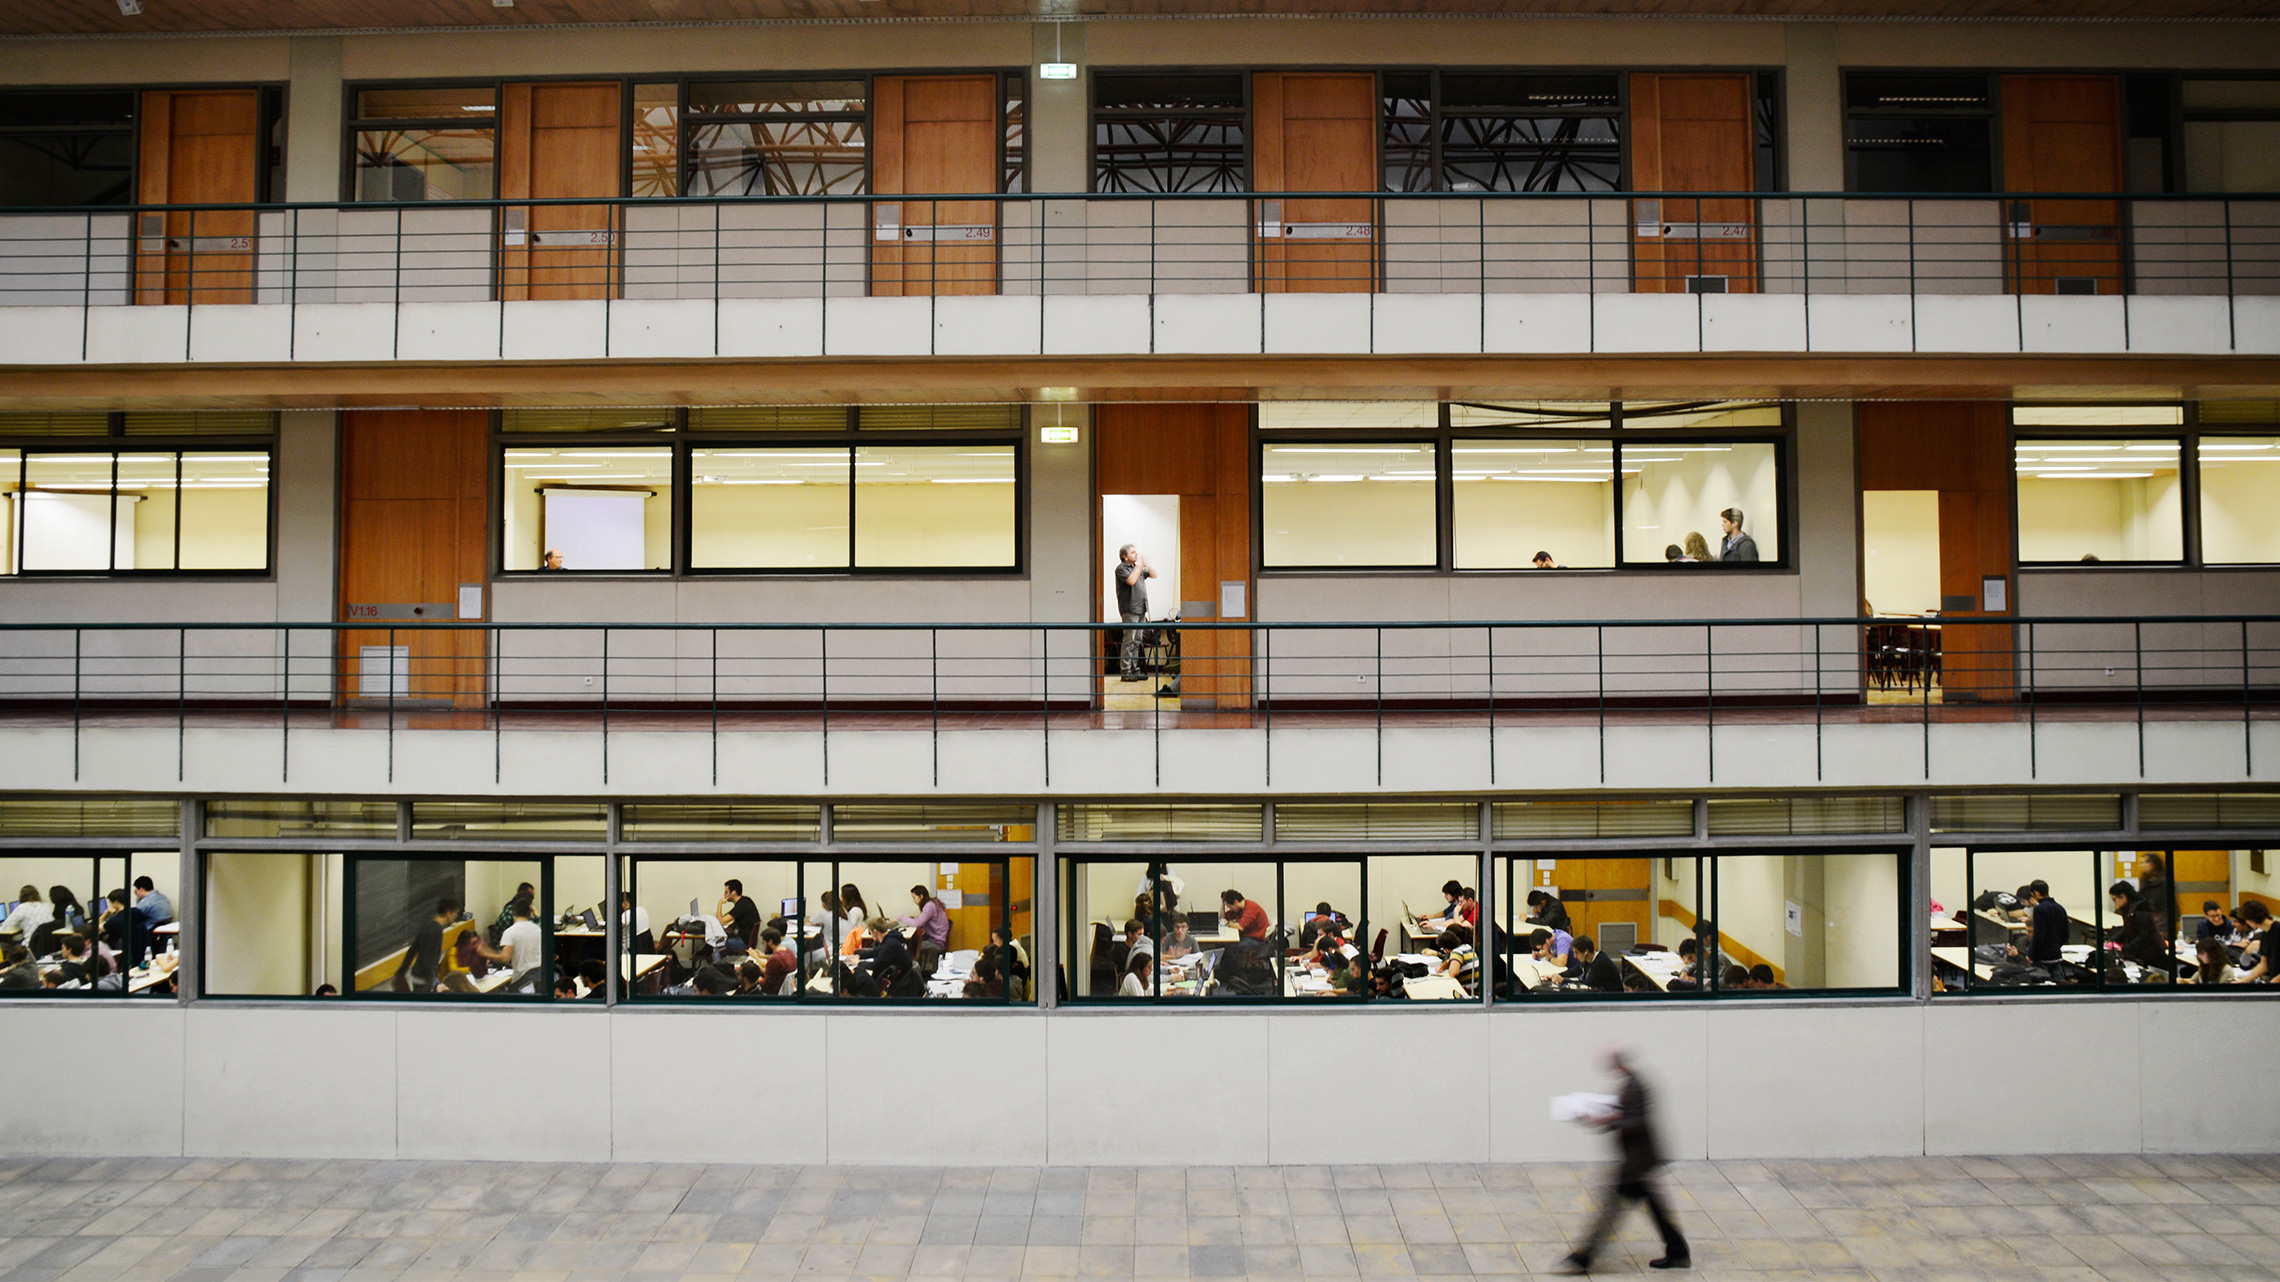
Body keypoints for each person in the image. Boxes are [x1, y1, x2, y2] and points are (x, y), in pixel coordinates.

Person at [1562, 1048, 1690, 1273]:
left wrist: (1607, 1119)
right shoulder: (1632, 1083)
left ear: (1619, 1064)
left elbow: (1637, 1122)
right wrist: (1607, 1118)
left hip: (1635, 1164)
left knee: (1610, 1210)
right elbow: (1628, 1116)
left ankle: (1583, 1258)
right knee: (1654, 1207)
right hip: (1637, 1162)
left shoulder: (1636, 1086)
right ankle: (1678, 1250)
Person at [394, 898, 466, 993]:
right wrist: (434, 985)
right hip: (424, 979)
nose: (456, 915)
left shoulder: (428, 925)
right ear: (448, 913)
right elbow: (429, 959)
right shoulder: (436, 931)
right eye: (455, 913)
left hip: (417, 975)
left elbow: (413, 949)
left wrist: (401, 971)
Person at [472, 898, 544, 991]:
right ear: (529, 914)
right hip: (540, 973)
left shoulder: (510, 932)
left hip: (523, 976)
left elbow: (505, 957)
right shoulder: (537, 929)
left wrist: (485, 953)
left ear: (513, 913)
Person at [1112, 542, 1157, 682]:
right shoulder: (1121, 569)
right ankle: (1126, 672)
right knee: (1129, 641)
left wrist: (1145, 564)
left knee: (1137, 641)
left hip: (1140, 609)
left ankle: (1134, 670)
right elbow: (1131, 581)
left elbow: (1154, 574)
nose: (1136, 554)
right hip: (1130, 610)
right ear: (1125, 557)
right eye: (1133, 552)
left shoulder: (1136, 568)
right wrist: (1139, 566)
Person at [2109, 881, 2168, 976]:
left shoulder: (2139, 909)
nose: (2115, 903)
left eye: (2114, 899)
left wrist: (2125, 948)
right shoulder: (2128, 909)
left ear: (2123, 896)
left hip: (2154, 955)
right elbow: (2127, 928)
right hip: (2144, 953)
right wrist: (2113, 940)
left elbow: (2144, 937)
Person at [902, 885, 950, 972]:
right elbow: (922, 920)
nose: (913, 900)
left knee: (910, 947)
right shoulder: (932, 903)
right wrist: (916, 918)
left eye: (914, 897)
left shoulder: (929, 906)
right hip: (937, 938)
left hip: (936, 942)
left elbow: (918, 923)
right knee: (912, 942)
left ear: (921, 896)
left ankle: (913, 971)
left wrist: (901, 918)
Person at [2023, 880, 2068, 968]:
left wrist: (2031, 954)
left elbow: (2039, 935)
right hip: (2056, 954)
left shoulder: (2039, 909)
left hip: (2042, 956)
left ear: (2036, 893)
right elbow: (2066, 933)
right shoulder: (2060, 908)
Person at [756, 926, 798, 995]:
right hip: (787, 990)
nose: (763, 946)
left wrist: (755, 976)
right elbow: (775, 974)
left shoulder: (775, 960)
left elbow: (766, 986)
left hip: (775, 994)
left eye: (763, 943)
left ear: (770, 942)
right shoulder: (789, 952)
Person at [718, 879, 761, 947]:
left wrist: (719, 904)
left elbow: (721, 921)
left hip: (743, 941)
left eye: (726, 892)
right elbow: (725, 917)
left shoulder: (742, 905)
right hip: (745, 938)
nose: (724, 895)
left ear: (733, 892)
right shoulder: (745, 901)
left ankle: (710, 957)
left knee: (717, 942)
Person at [620, 891, 654, 956]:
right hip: (646, 950)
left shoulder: (626, 914)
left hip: (629, 950)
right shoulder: (642, 909)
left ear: (626, 904)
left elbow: (616, 928)